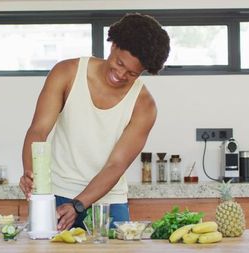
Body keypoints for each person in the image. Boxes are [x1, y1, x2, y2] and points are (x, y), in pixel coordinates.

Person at [20, 13, 170, 231]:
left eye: (131, 73)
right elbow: (38, 130)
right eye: (119, 63)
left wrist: (79, 205)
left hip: (109, 201)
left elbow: (116, 164)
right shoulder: (67, 73)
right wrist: (30, 174)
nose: (119, 74)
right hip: (57, 194)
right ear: (113, 45)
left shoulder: (144, 106)